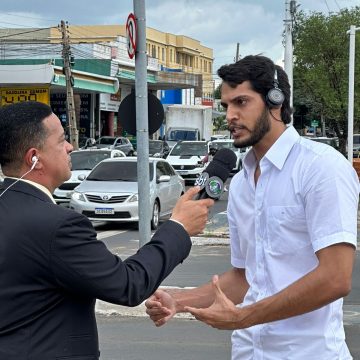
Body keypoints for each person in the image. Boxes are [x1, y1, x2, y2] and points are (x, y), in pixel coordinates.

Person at [145, 55, 359, 359]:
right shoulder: (243, 183)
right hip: (248, 352)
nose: (230, 115)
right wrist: (178, 300)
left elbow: (336, 278)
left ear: (275, 100)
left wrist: (244, 317)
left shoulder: (321, 167)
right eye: (226, 106)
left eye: (241, 102)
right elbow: (246, 278)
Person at [0, 101, 214, 359]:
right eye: (62, 140)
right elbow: (128, 284)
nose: (71, 147)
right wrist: (179, 228)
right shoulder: (58, 226)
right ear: (34, 158)